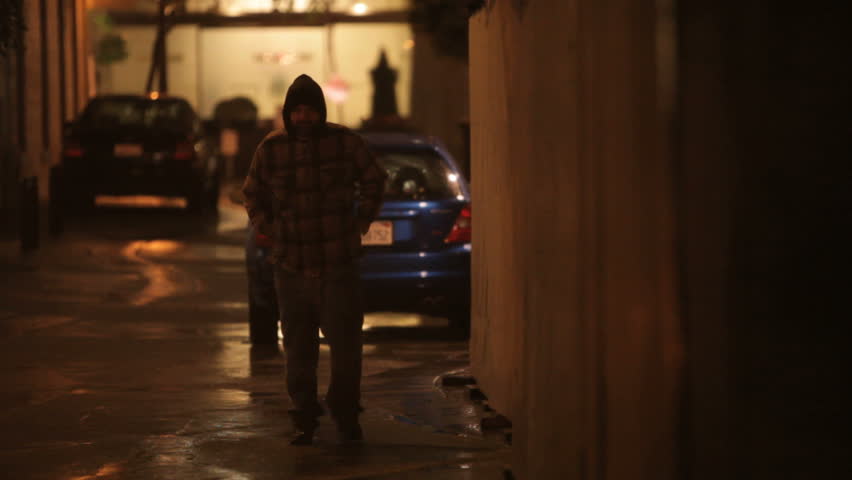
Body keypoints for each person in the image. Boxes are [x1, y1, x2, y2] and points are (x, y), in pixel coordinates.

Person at [241, 74, 387, 445]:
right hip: (290, 266)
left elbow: (375, 179)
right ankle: (304, 416)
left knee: (346, 349)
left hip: (338, 265)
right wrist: (269, 227)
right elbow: (251, 193)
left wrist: (360, 221)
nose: (303, 117)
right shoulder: (271, 149)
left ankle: (345, 415)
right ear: (289, 114)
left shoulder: (345, 143)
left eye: (310, 110)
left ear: (320, 112)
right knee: (298, 349)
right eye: (297, 111)